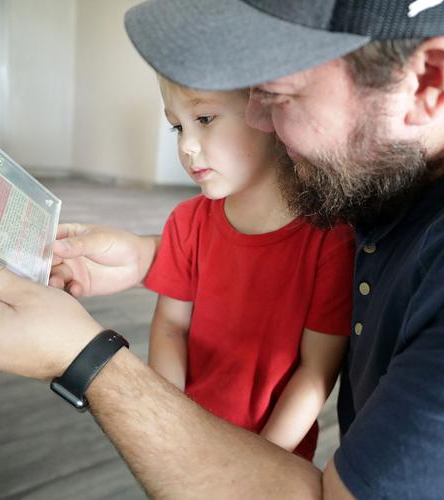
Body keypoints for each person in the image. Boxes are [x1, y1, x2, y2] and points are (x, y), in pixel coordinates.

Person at [0, 0, 444, 498]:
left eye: (274, 96)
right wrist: (153, 254)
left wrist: (83, 360)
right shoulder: (419, 150)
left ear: (429, 80)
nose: (259, 123)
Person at [130, 77, 354, 460]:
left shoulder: (330, 240)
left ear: (269, 110)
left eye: (204, 118)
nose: (186, 146)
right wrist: (171, 425)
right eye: (177, 126)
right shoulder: (187, 221)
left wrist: (256, 463)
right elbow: (170, 326)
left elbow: (317, 372)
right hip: (189, 442)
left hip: (272, 456)